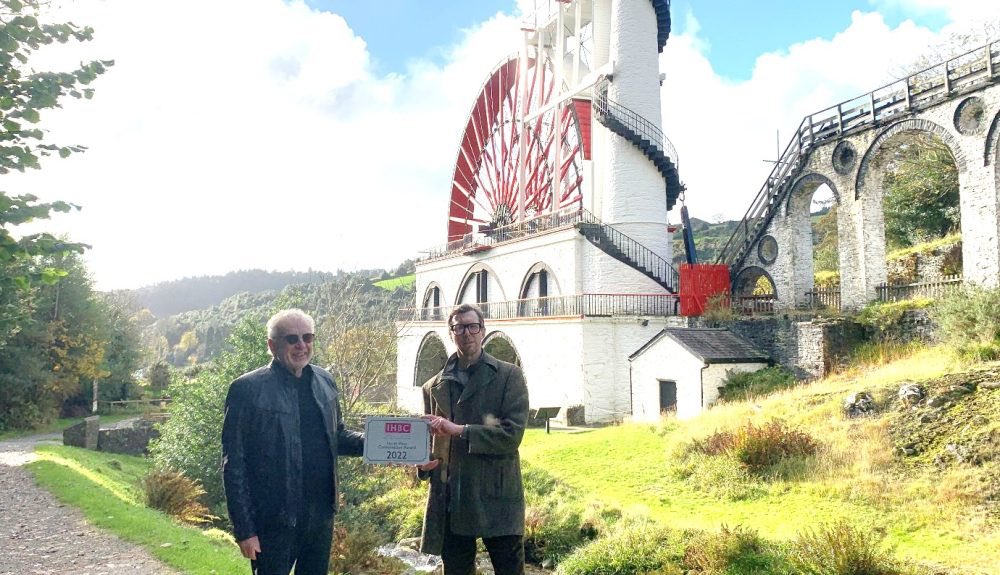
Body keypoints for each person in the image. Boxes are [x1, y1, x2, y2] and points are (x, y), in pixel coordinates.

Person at [221, 308, 364, 575]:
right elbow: (234, 464)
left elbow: (338, 437)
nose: (302, 345)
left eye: (308, 337)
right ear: (272, 345)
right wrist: (245, 530)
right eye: (292, 339)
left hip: (321, 517)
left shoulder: (325, 381)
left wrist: (388, 445)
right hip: (272, 522)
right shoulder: (246, 389)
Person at [418, 303, 530, 575]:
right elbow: (428, 444)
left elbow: (511, 435)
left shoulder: (509, 376)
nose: (466, 333)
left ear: (482, 331)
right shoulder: (432, 387)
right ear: (451, 333)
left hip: (498, 494)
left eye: (472, 326)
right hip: (452, 497)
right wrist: (421, 465)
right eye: (459, 327)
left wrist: (459, 430)